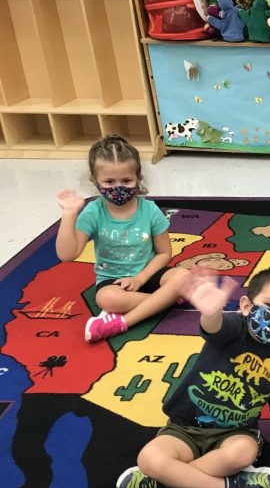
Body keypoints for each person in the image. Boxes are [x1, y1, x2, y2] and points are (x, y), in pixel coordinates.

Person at [115, 267, 270, 488]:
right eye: (269, 305)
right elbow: (214, 328)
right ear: (246, 306)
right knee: (149, 459)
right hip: (185, 427)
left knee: (243, 453)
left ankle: (164, 480)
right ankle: (231, 487)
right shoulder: (235, 326)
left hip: (236, 432)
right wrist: (211, 313)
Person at [55, 135, 190, 342]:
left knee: (183, 276)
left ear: (138, 178)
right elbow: (67, 254)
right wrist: (69, 214)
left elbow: (164, 253)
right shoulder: (93, 212)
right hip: (113, 281)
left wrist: (140, 279)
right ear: (95, 181)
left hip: (149, 274)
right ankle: (166, 300)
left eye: (126, 181)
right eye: (109, 182)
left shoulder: (150, 210)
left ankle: (122, 322)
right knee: (106, 299)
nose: (118, 187)